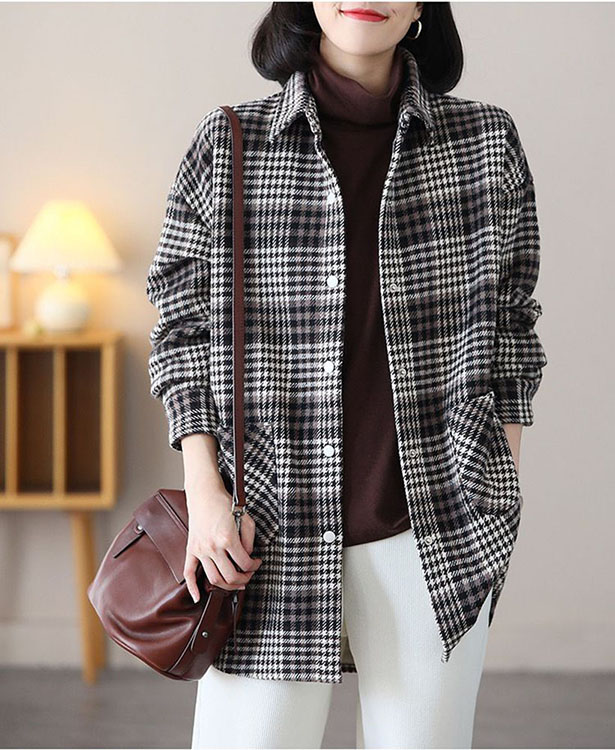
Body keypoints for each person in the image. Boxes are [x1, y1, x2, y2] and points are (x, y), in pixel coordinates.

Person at [145, 2, 548, 748]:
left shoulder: (485, 143)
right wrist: (204, 494)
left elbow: (511, 327)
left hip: (436, 528)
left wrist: (497, 486)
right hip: (267, 529)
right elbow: (181, 332)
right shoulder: (228, 144)